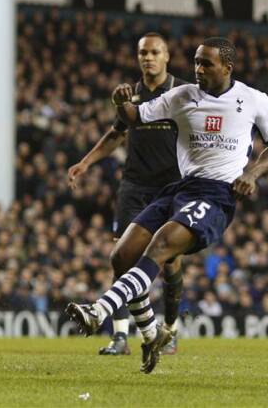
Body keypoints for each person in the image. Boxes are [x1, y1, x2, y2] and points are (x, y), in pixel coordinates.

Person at [66, 37, 268, 374]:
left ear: (227, 67)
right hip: (179, 188)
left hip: (217, 194)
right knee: (121, 257)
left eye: (206, 63)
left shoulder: (255, 100)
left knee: (163, 246)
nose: (198, 69)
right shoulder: (182, 96)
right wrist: (118, 103)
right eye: (196, 61)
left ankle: (99, 311)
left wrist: (253, 173)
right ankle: (153, 334)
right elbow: (134, 117)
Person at [68, 32, 185, 356]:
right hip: (134, 185)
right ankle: (121, 337)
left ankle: (171, 330)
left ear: (166, 57)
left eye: (154, 52)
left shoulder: (181, 93)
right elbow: (116, 134)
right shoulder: (129, 95)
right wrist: (86, 162)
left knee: (170, 262)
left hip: (170, 187)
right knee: (122, 258)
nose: (148, 57)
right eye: (142, 53)